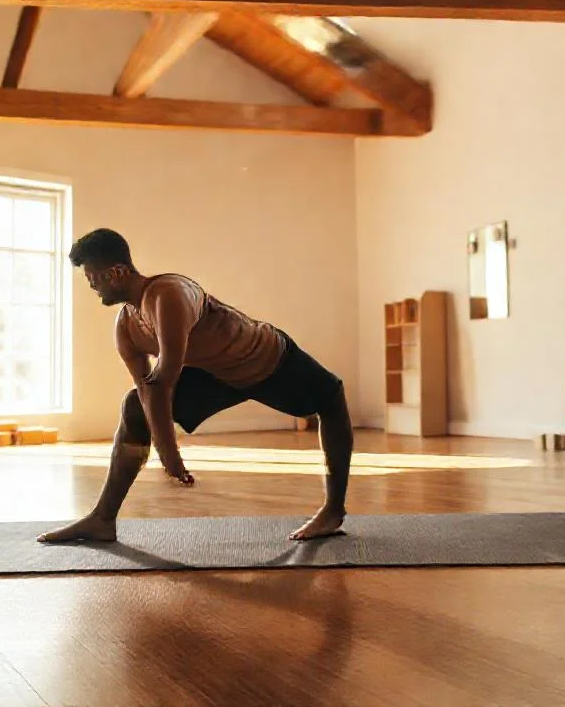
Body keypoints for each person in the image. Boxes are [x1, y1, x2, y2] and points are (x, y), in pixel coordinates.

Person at [38, 228, 353, 543]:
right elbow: (148, 390)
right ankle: (102, 519)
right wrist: (165, 449)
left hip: (267, 358)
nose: (91, 285)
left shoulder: (167, 293)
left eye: (93, 277)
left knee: (331, 396)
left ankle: (333, 511)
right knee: (134, 406)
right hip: (217, 375)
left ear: (117, 272)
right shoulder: (125, 326)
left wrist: (167, 451)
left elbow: (165, 378)